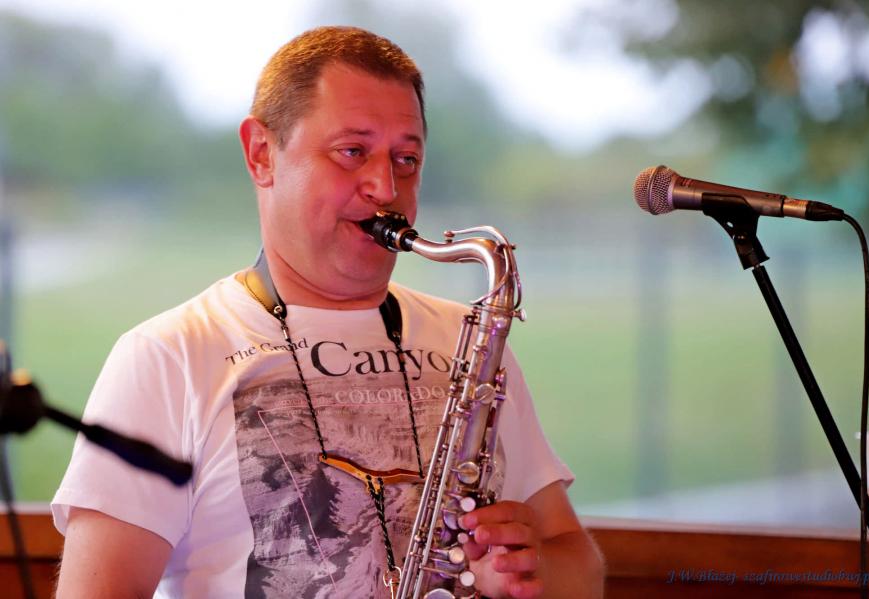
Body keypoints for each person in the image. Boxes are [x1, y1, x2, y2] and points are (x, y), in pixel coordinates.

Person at [52, 26, 604, 599]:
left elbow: (580, 567)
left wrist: (529, 568)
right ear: (261, 154)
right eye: (352, 152)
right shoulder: (166, 357)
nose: (385, 187)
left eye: (407, 159)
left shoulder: (475, 349)